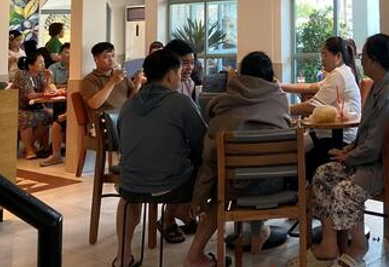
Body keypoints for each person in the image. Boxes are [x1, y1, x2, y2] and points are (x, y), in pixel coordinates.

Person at [309, 33, 389, 266]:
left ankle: (358, 245)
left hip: (386, 166)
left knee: (343, 190)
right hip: (373, 159)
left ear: (374, 60)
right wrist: (349, 149)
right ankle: (330, 242)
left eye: (363, 55)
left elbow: (374, 147)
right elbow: (369, 134)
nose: (359, 59)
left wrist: (348, 157)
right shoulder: (380, 86)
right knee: (323, 174)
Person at [187, 51, 291, 262]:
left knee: (220, 190)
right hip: (275, 183)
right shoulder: (280, 100)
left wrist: (200, 194)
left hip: (234, 185)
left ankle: (194, 255)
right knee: (263, 165)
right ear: (270, 76)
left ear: (240, 75)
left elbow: (210, 155)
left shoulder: (224, 103)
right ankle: (258, 232)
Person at [114, 49, 207, 267]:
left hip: (129, 184)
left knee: (128, 200)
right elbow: (202, 142)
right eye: (179, 72)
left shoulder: (129, 104)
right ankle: (185, 217)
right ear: (170, 75)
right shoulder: (181, 103)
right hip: (172, 185)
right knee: (207, 171)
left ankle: (122, 258)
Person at [286, 37, 362, 177]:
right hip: (330, 133)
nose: (321, 59)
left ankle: (300, 188)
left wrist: (283, 110)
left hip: (340, 137)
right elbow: (312, 91)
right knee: (293, 147)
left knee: (295, 161)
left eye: (325, 55)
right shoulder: (342, 72)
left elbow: (312, 106)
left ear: (338, 56)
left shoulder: (339, 74)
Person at [80, 42, 145, 118]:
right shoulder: (90, 79)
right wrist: (112, 82)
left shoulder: (121, 75)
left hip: (125, 115)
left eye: (113, 56)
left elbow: (130, 100)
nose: (111, 59)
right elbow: (94, 104)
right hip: (105, 120)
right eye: (105, 57)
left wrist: (138, 83)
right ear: (96, 59)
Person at [13, 53, 56, 160]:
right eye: (40, 62)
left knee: (49, 116)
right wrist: (45, 93)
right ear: (30, 65)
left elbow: (46, 91)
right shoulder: (22, 75)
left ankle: (30, 144)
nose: (43, 64)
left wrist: (49, 78)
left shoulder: (41, 75)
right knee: (27, 118)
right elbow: (30, 95)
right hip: (19, 108)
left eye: (43, 62)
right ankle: (28, 149)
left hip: (35, 107)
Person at [41, 42, 72, 167]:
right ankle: (57, 149)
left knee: (59, 120)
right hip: (58, 101)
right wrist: (59, 87)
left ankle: (60, 146)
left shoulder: (77, 68)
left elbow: (71, 86)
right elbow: (51, 85)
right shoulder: (53, 67)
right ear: (60, 55)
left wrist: (61, 87)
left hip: (69, 101)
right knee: (58, 116)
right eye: (66, 52)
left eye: (71, 53)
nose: (68, 55)